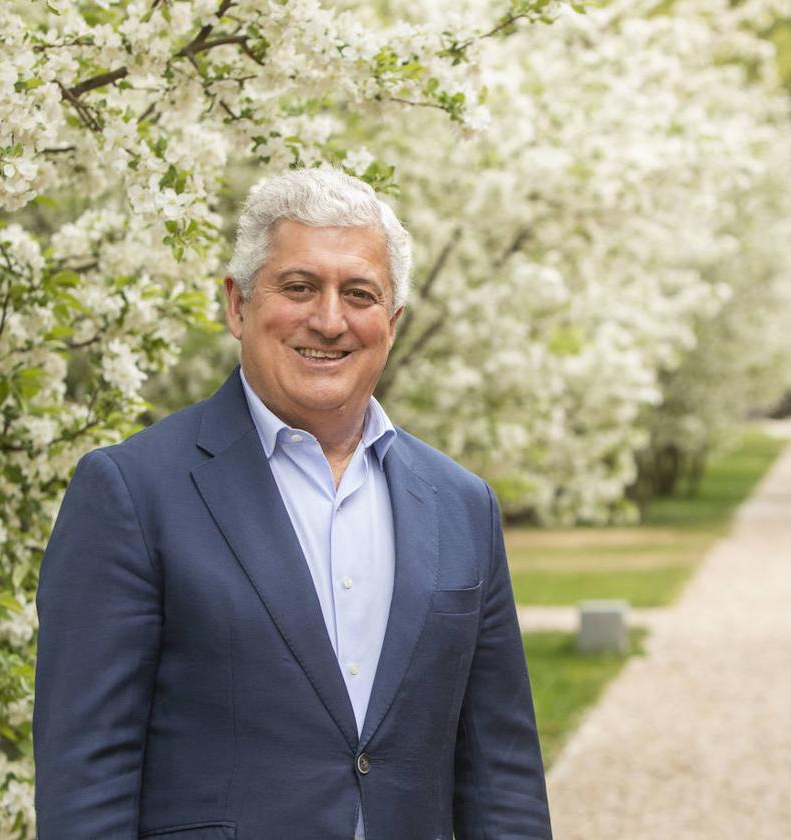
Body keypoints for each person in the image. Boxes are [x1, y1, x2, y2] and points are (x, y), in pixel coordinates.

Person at [33, 167, 552, 839]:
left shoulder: (461, 505)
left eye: (359, 293)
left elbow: (502, 777)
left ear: (391, 322)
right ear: (238, 305)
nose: (329, 320)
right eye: (300, 286)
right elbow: (86, 783)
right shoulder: (131, 493)